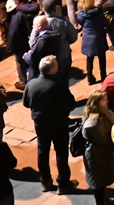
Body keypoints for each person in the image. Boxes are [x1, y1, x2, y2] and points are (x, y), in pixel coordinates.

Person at [21, 56, 75, 192]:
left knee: (42, 151)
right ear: (52, 69)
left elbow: (26, 103)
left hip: (40, 123)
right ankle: (63, 184)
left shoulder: (31, 84)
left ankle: (45, 181)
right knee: (61, 152)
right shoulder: (59, 85)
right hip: (58, 123)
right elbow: (71, 104)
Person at [81, 90, 114, 205]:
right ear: (97, 102)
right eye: (104, 99)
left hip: (102, 153)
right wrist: (112, 122)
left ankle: (103, 200)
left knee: (100, 180)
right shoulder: (95, 121)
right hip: (96, 155)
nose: (107, 101)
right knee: (97, 183)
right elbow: (102, 138)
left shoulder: (103, 113)